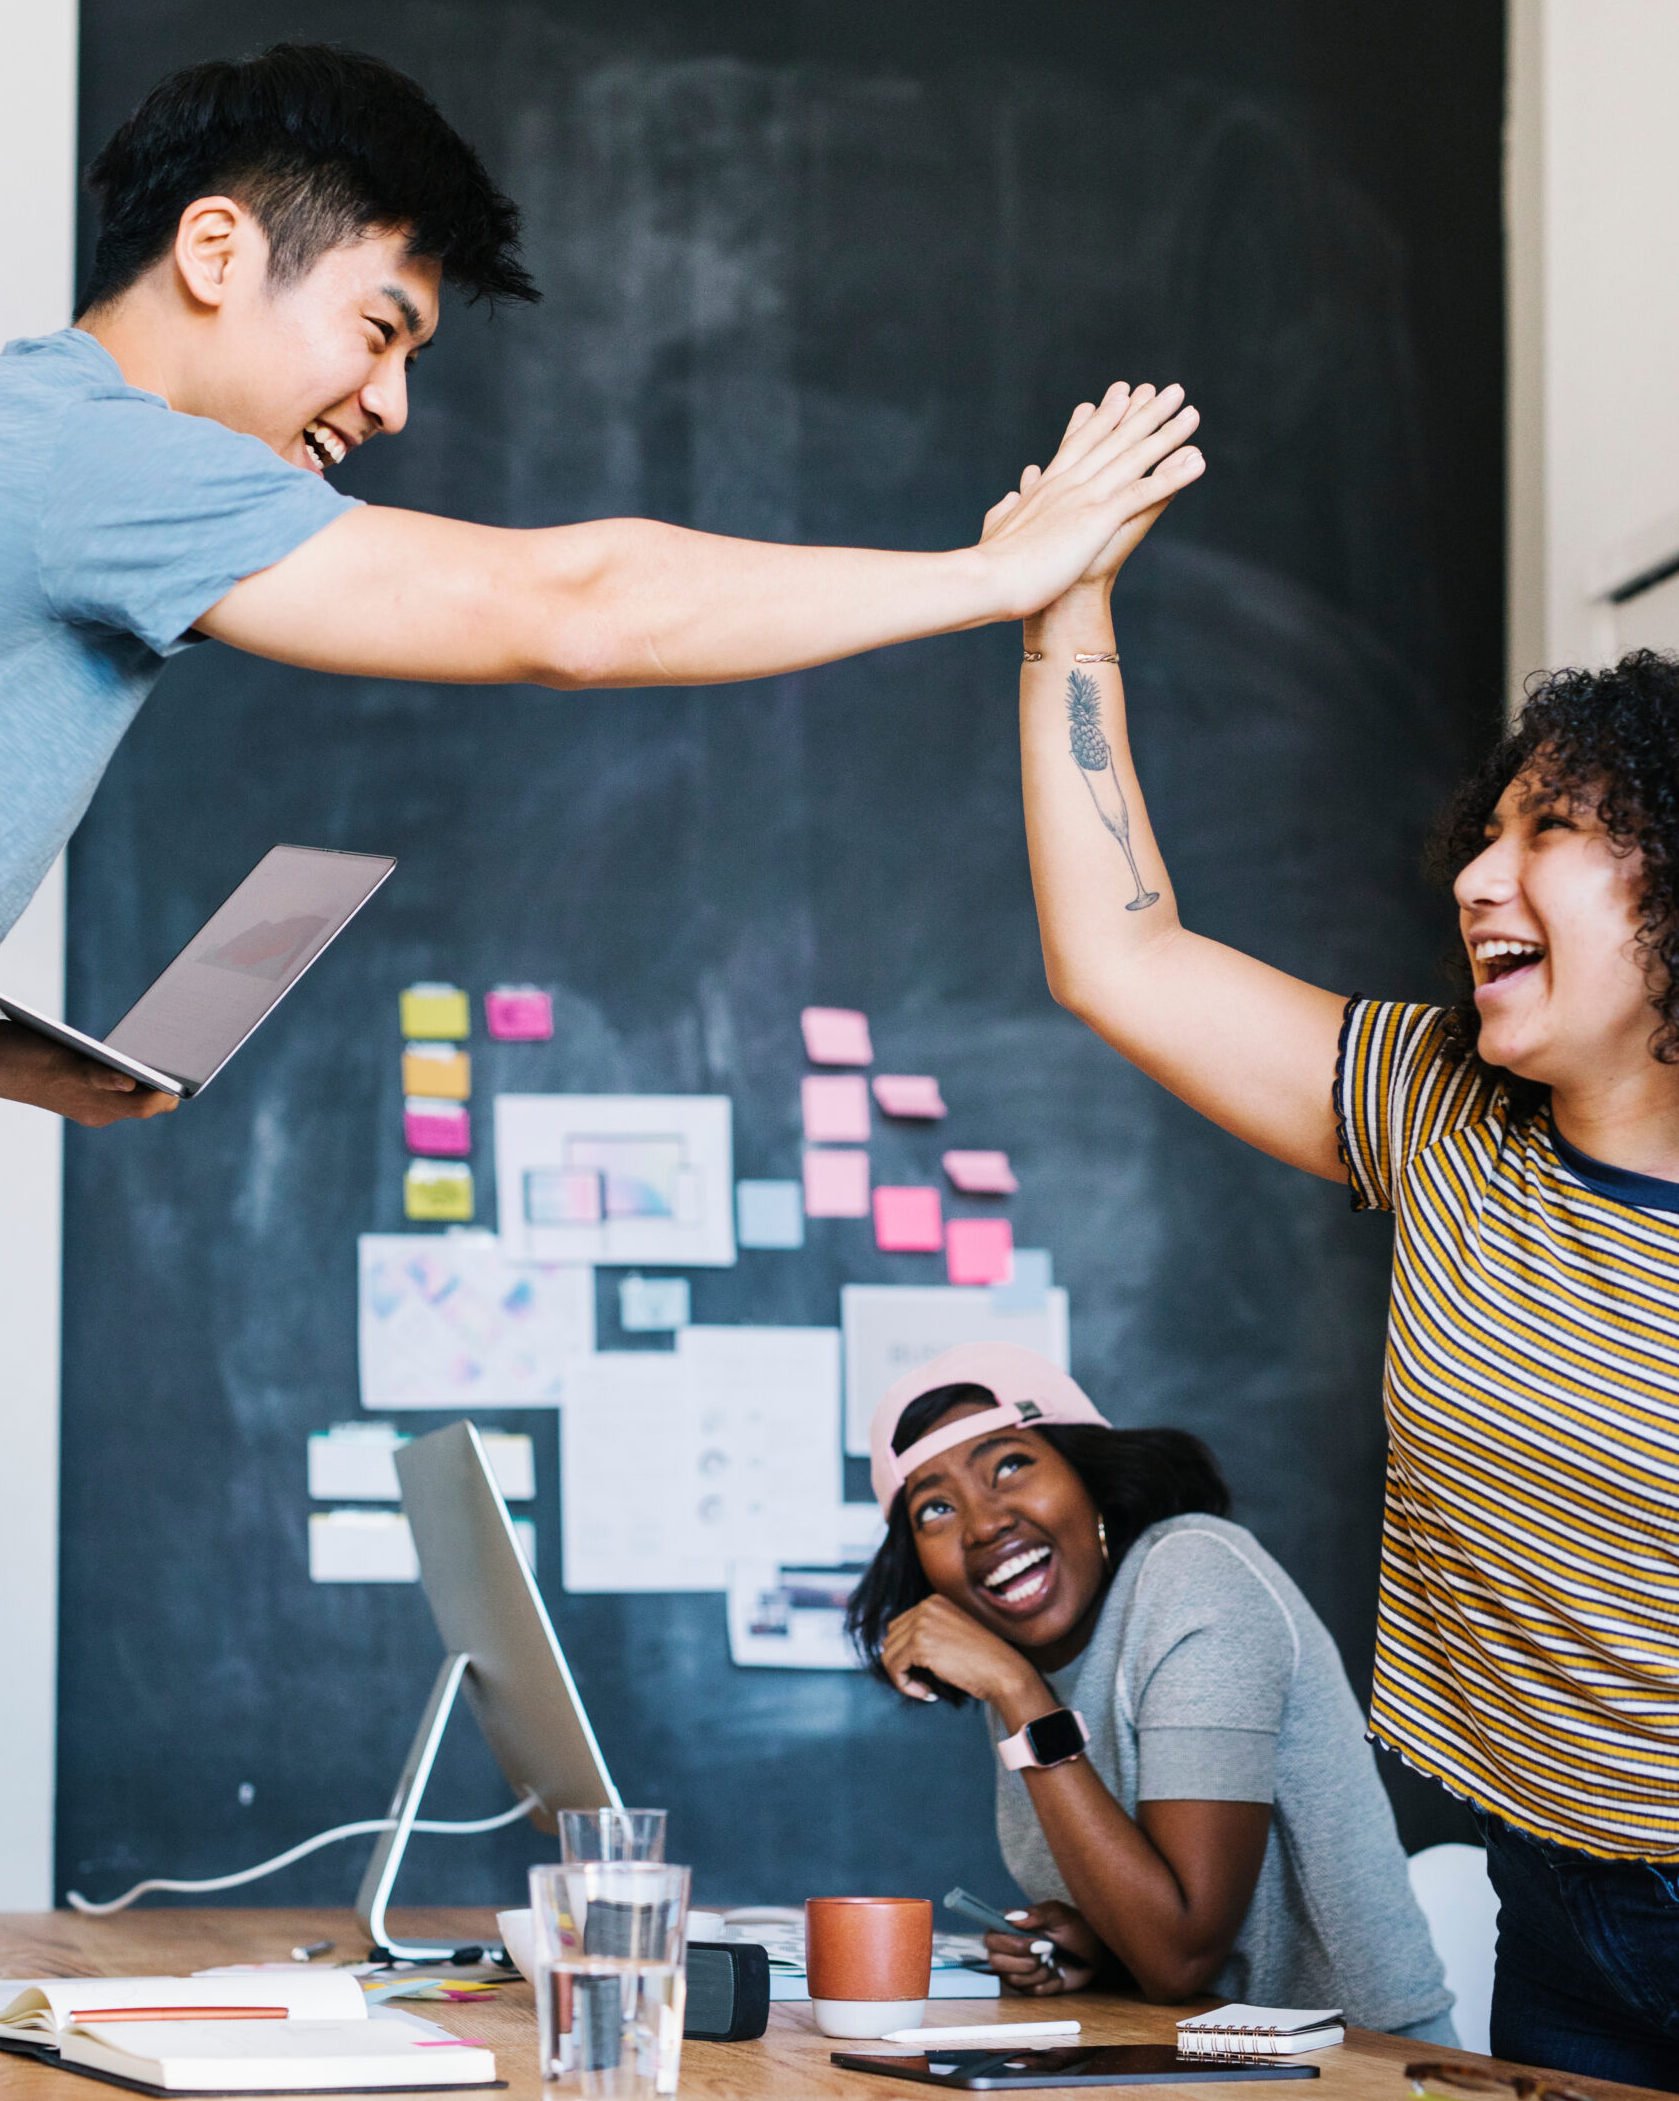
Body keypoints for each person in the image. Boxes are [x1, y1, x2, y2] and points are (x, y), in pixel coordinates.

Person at [0, 43, 1204, 1130]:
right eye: (377, 330)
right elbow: (573, 610)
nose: (390, 404)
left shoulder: (39, 436)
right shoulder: (96, 454)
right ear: (214, 252)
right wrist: (992, 575)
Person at [1002, 408, 1679, 2084]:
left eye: (1548, 832)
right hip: (1563, 1903)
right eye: (1483, 824)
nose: (1472, 871)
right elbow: (1121, 954)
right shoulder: (1434, 1110)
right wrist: (1057, 599)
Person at [846, 1341, 1455, 2038]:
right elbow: (1156, 1947)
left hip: (1356, 2064)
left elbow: (1180, 1953)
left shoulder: (1192, 1577)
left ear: (1086, 1472)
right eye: (934, 1510)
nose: (984, 1523)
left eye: (1010, 1464)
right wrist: (1095, 1950)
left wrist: (1020, 1694)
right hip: (1187, 2060)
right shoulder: (1022, 1660)